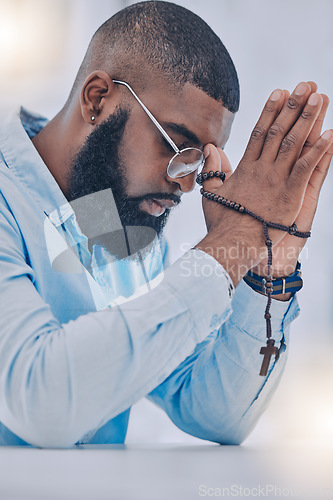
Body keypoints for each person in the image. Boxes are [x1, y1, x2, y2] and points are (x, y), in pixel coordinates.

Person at [0, 1, 331, 448]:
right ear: (97, 99)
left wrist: (265, 270)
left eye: (200, 161)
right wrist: (229, 242)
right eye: (177, 145)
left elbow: (215, 413)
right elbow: (41, 400)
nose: (188, 184)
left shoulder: (110, 220)